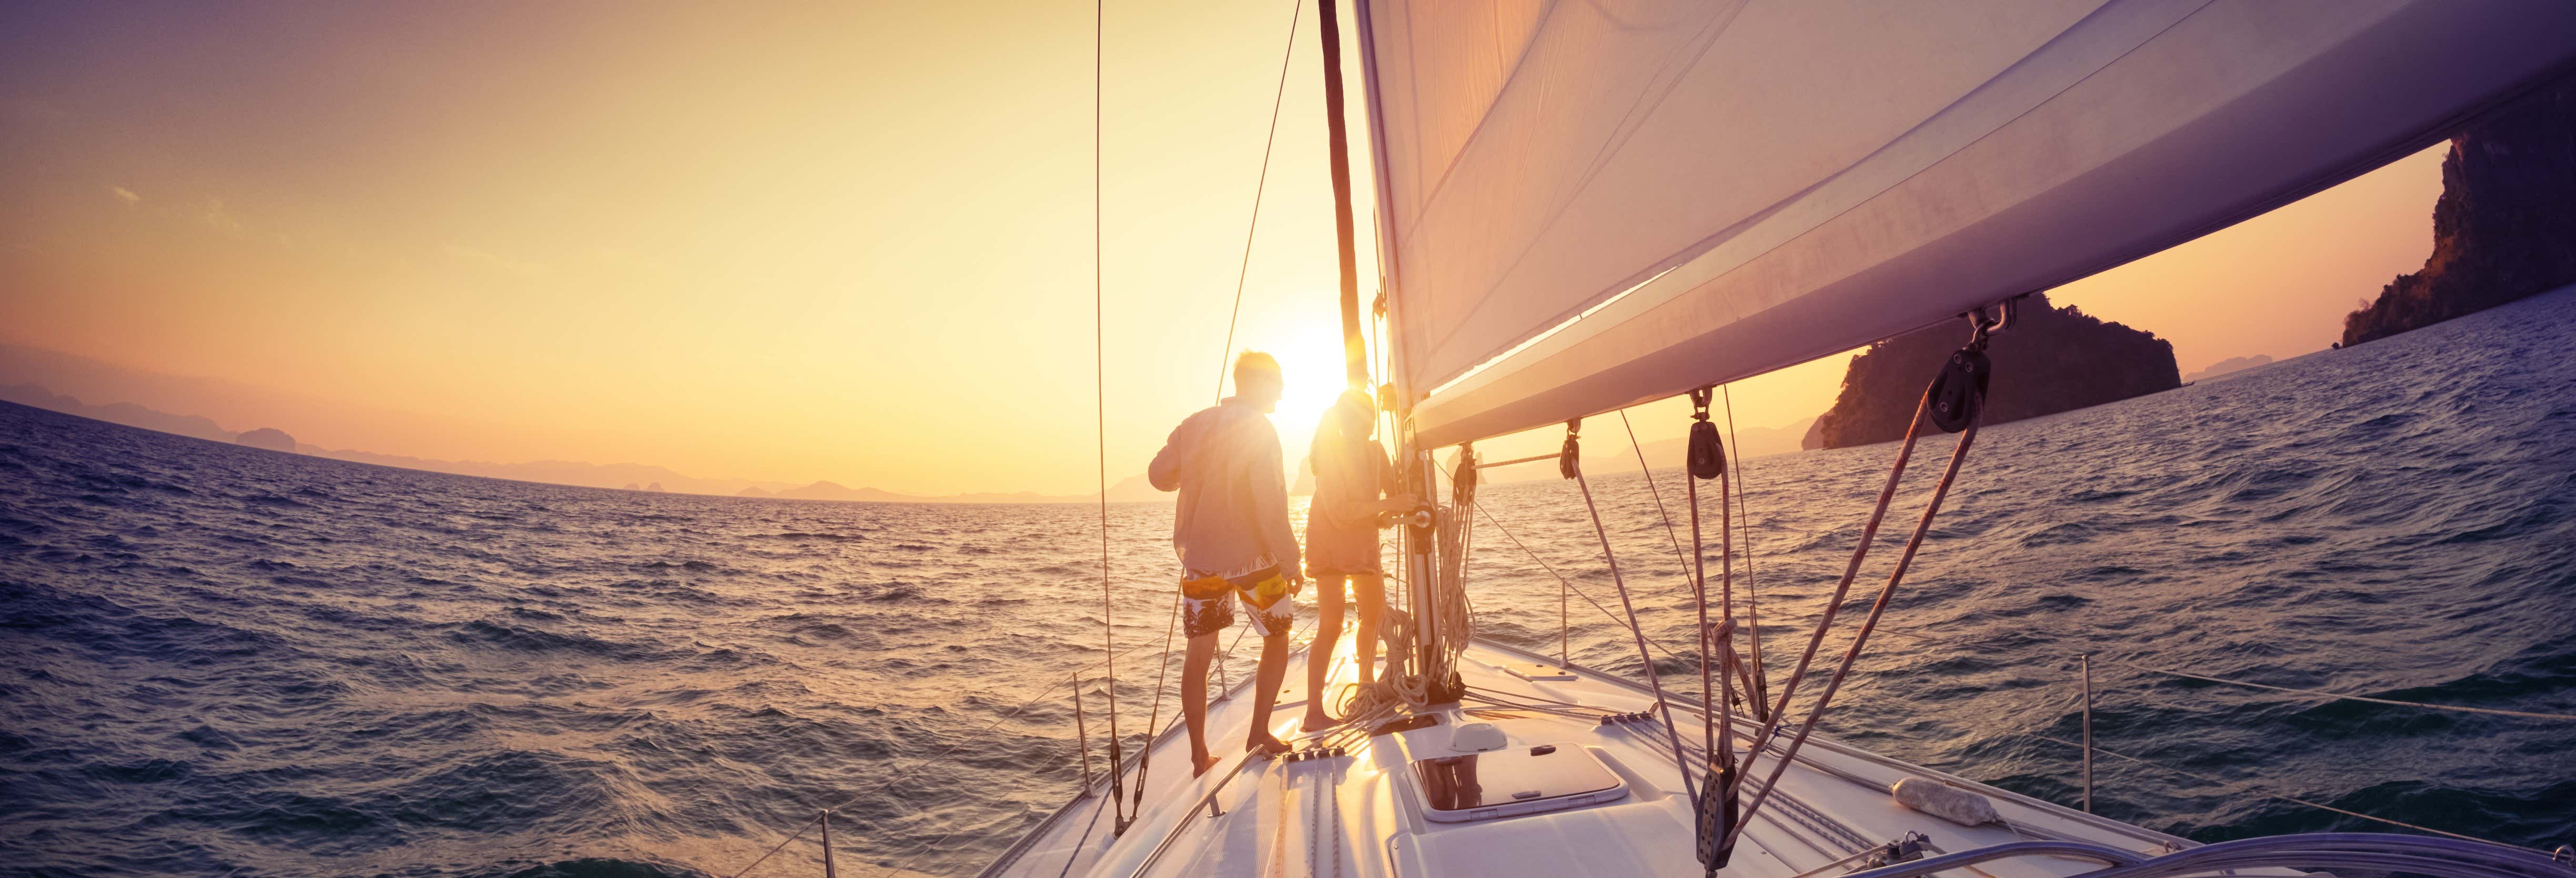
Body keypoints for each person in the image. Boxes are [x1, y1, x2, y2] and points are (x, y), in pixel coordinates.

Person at [1148, 351, 1303, 776]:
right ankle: (1258, 732)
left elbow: (1158, 475)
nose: (1284, 391)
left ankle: (1200, 755)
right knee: (1277, 636)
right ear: (1258, 384)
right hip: (1256, 561)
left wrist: (1197, 471)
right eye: (1278, 382)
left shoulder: (1193, 424)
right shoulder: (1260, 429)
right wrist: (1291, 562)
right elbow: (1271, 503)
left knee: (1199, 655)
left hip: (1202, 562)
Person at [1299, 388, 1413, 731]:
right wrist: (1387, 507)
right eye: (1361, 417)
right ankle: (1314, 711)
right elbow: (1341, 511)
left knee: (1375, 618)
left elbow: (1388, 497)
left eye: (1371, 418)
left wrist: (1394, 501)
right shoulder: (1330, 454)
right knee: (1331, 624)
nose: (1367, 424)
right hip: (1331, 542)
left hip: (1362, 543)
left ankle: (1366, 690)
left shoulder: (1375, 451)